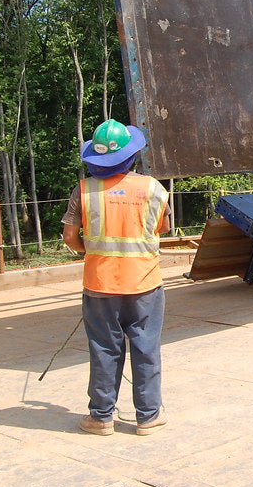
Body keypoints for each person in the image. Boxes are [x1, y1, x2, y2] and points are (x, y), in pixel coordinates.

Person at [62, 119, 171, 436]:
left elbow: (70, 236)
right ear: (132, 155)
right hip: (144, 284)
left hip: (100, 285)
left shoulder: (83, 191)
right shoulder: (153, 188)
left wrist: (92, 252)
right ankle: (148, 417)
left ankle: (100, 417)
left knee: (104, 350)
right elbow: (161, 228)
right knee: (146, 348)